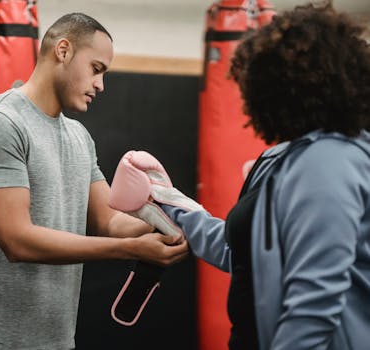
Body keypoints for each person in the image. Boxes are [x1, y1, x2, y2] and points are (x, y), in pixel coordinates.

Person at [118, 3, 370, 350]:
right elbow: (243, 254)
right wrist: (168, 202)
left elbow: (313, 305)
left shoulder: (329, 161)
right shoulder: (282, 157)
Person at [0, 13, 188, 350]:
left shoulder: (78, 136)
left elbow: (108, 220)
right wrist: (130, 249)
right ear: (62, 50)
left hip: (56, 340)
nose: (100, 85)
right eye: (96, 69)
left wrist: (168, 224)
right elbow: (17, 240)